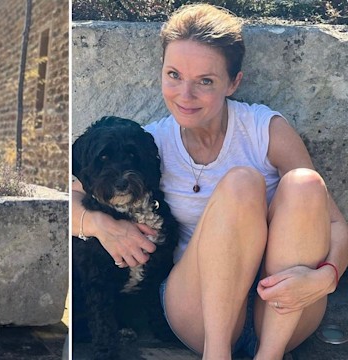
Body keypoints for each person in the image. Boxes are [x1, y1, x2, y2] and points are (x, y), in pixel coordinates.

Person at [72, 4, 348, 359]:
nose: (185, 95)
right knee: (241, 184)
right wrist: (97, 224)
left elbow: (336, 224)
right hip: (199, 311)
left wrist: (326, 278)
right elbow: (72, 194)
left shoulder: (266, 130)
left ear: (233, 82)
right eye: (174, 75)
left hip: (285, 310)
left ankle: (271, 354)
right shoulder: (148, 145)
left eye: (205, 81)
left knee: (305, 183)